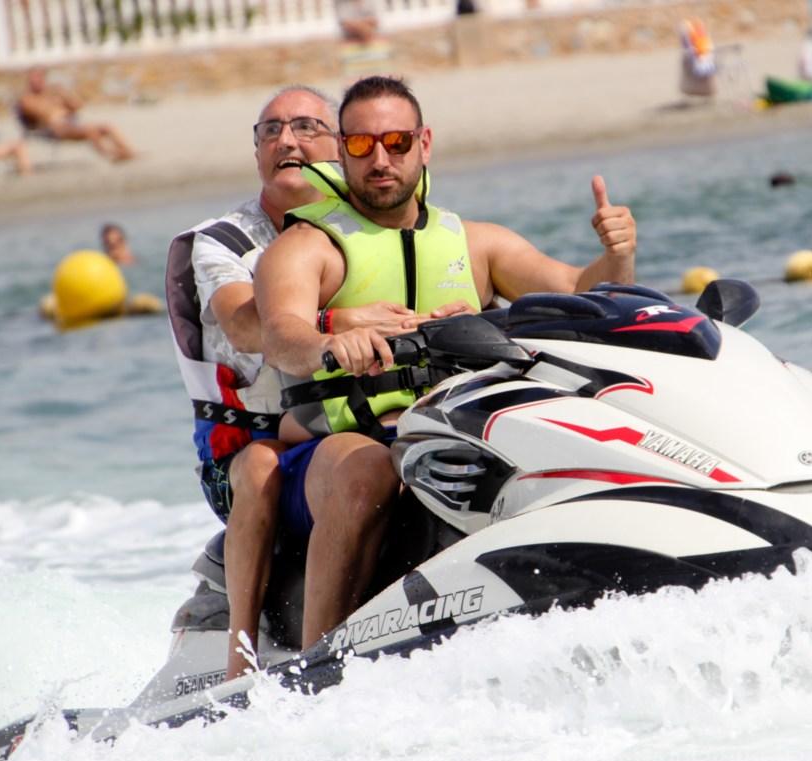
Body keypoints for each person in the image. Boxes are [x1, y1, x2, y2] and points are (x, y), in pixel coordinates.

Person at [252, 75, 637, 659]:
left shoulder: (477, 243)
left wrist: (616, 255)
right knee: (367, 469)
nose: (381, 159)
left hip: (450, 435)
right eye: (360, 145)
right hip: (338, 451)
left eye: (397, 142)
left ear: (424, 144)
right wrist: (332, 344)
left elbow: (584, 296)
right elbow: (282, 335)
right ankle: (315, 666)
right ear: (342, 152)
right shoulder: (307, 247)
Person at [165, 86, 352, 682]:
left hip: (334, 428)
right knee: (262, 467)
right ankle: (239, 660)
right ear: (256, 153)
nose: (286, 140)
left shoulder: (365, 228)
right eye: (270, 131)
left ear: (342, 146)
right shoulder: (221, 241)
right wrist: (344, 323)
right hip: (243, 452)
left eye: (306, 127)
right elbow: (247, 328)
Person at [17, 67, 135, 163]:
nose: (37, 81)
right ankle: (112, 154)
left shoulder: (53, 92)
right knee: (90, 131)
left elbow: (78, 106)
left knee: (107, 126)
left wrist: (64, 95)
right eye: (34, 78)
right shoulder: (27, 99)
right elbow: (43, 114)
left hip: (70, 123)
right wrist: (57, 106)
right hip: (53, 129)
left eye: (40, 77)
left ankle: (128, 151)